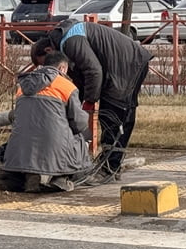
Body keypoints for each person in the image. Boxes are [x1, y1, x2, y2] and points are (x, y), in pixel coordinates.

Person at [49, 17, 153, 185]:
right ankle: (110, 165)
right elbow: (83, 75)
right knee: (119, 116)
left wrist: (89, 101)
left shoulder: (70, 42)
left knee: (114, 116)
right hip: (129, 63)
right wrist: (78, 102)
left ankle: (108, 168)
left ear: (48, 50)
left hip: (124, 67)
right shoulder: (70, 38)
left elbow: (94, 71)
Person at [4, 41, 93, 192]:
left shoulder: (22, 86)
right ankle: (62, 178)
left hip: (19, 150)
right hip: (54, 147)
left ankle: (28, 177)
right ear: (62, 68)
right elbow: (79, 123)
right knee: (79, 137)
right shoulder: (67, 87)